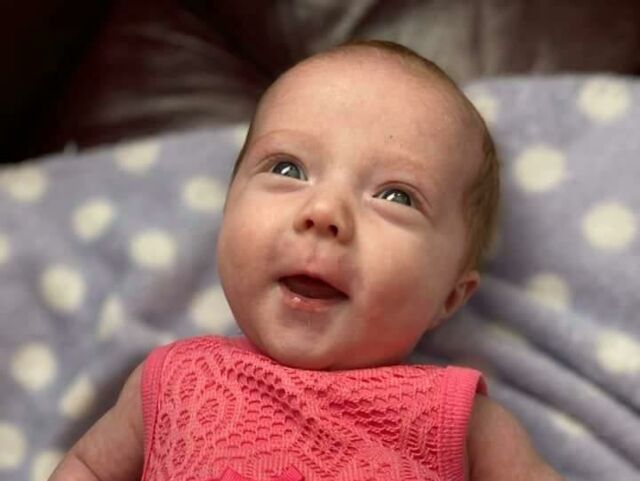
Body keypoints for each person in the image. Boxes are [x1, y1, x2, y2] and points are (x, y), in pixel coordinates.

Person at [50, 40, 562, 481]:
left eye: (396, 197)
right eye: (288, 169)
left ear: (449, 296)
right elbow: (89, 468)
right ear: (227, 211)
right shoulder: (174, 379)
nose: (324, 212)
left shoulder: (460, 419)